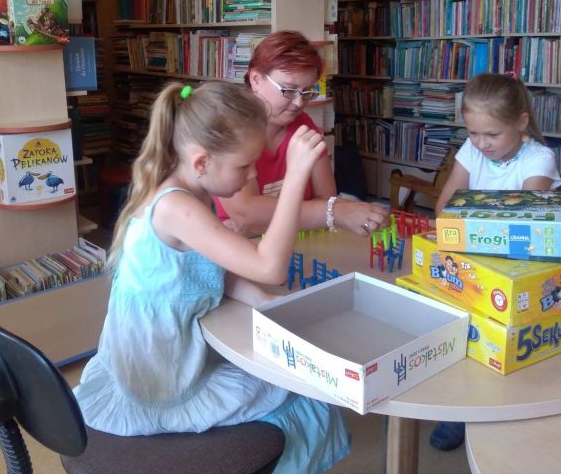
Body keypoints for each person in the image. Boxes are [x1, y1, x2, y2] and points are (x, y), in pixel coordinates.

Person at [73, 82, 350, 474]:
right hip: (160, 378)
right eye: (244, 166)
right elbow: (268, 266)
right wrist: (295, 178)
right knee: (304, 393)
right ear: (202, 162)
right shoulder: (177, 208)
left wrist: (269, 304)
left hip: (160, 355)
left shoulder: (186, 189)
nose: (253, 174)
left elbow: (210, 268)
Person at [431, 73, 561, 451]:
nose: (481, 144)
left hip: (519, 268)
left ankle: (498, 412)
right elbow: (443, 209)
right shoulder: (471, 151)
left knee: (504, 343)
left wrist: (469, 220)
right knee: (462, 336)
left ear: (520, 123)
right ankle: (460, 409)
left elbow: (524, 225)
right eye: (473, 133)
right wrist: (478, 223)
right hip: (475, 263)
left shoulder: (538, 158)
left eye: (492, 134)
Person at [215, 30, 388, 237]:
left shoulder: (304, 125)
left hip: (296, 243)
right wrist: (333, 212)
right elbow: (248, 214)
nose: (299, 103)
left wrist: (262, 222)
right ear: (256, 79)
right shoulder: (226, 127)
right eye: (288, 90)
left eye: (307, 92)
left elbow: (326, 198)